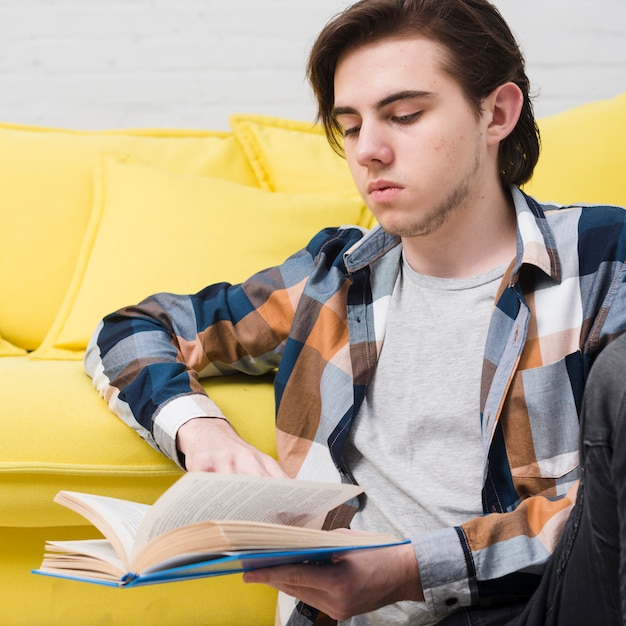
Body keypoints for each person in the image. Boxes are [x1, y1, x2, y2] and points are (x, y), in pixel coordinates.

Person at [84, 0, 626, 624]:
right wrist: (201, 433)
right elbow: (130, 331)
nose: (368, 151)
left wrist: (407, 569)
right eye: (350, 125)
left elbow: (602, 514)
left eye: (404, 115)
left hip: (541, 607)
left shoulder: (602, 259)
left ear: (497, 113)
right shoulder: (332, 276)